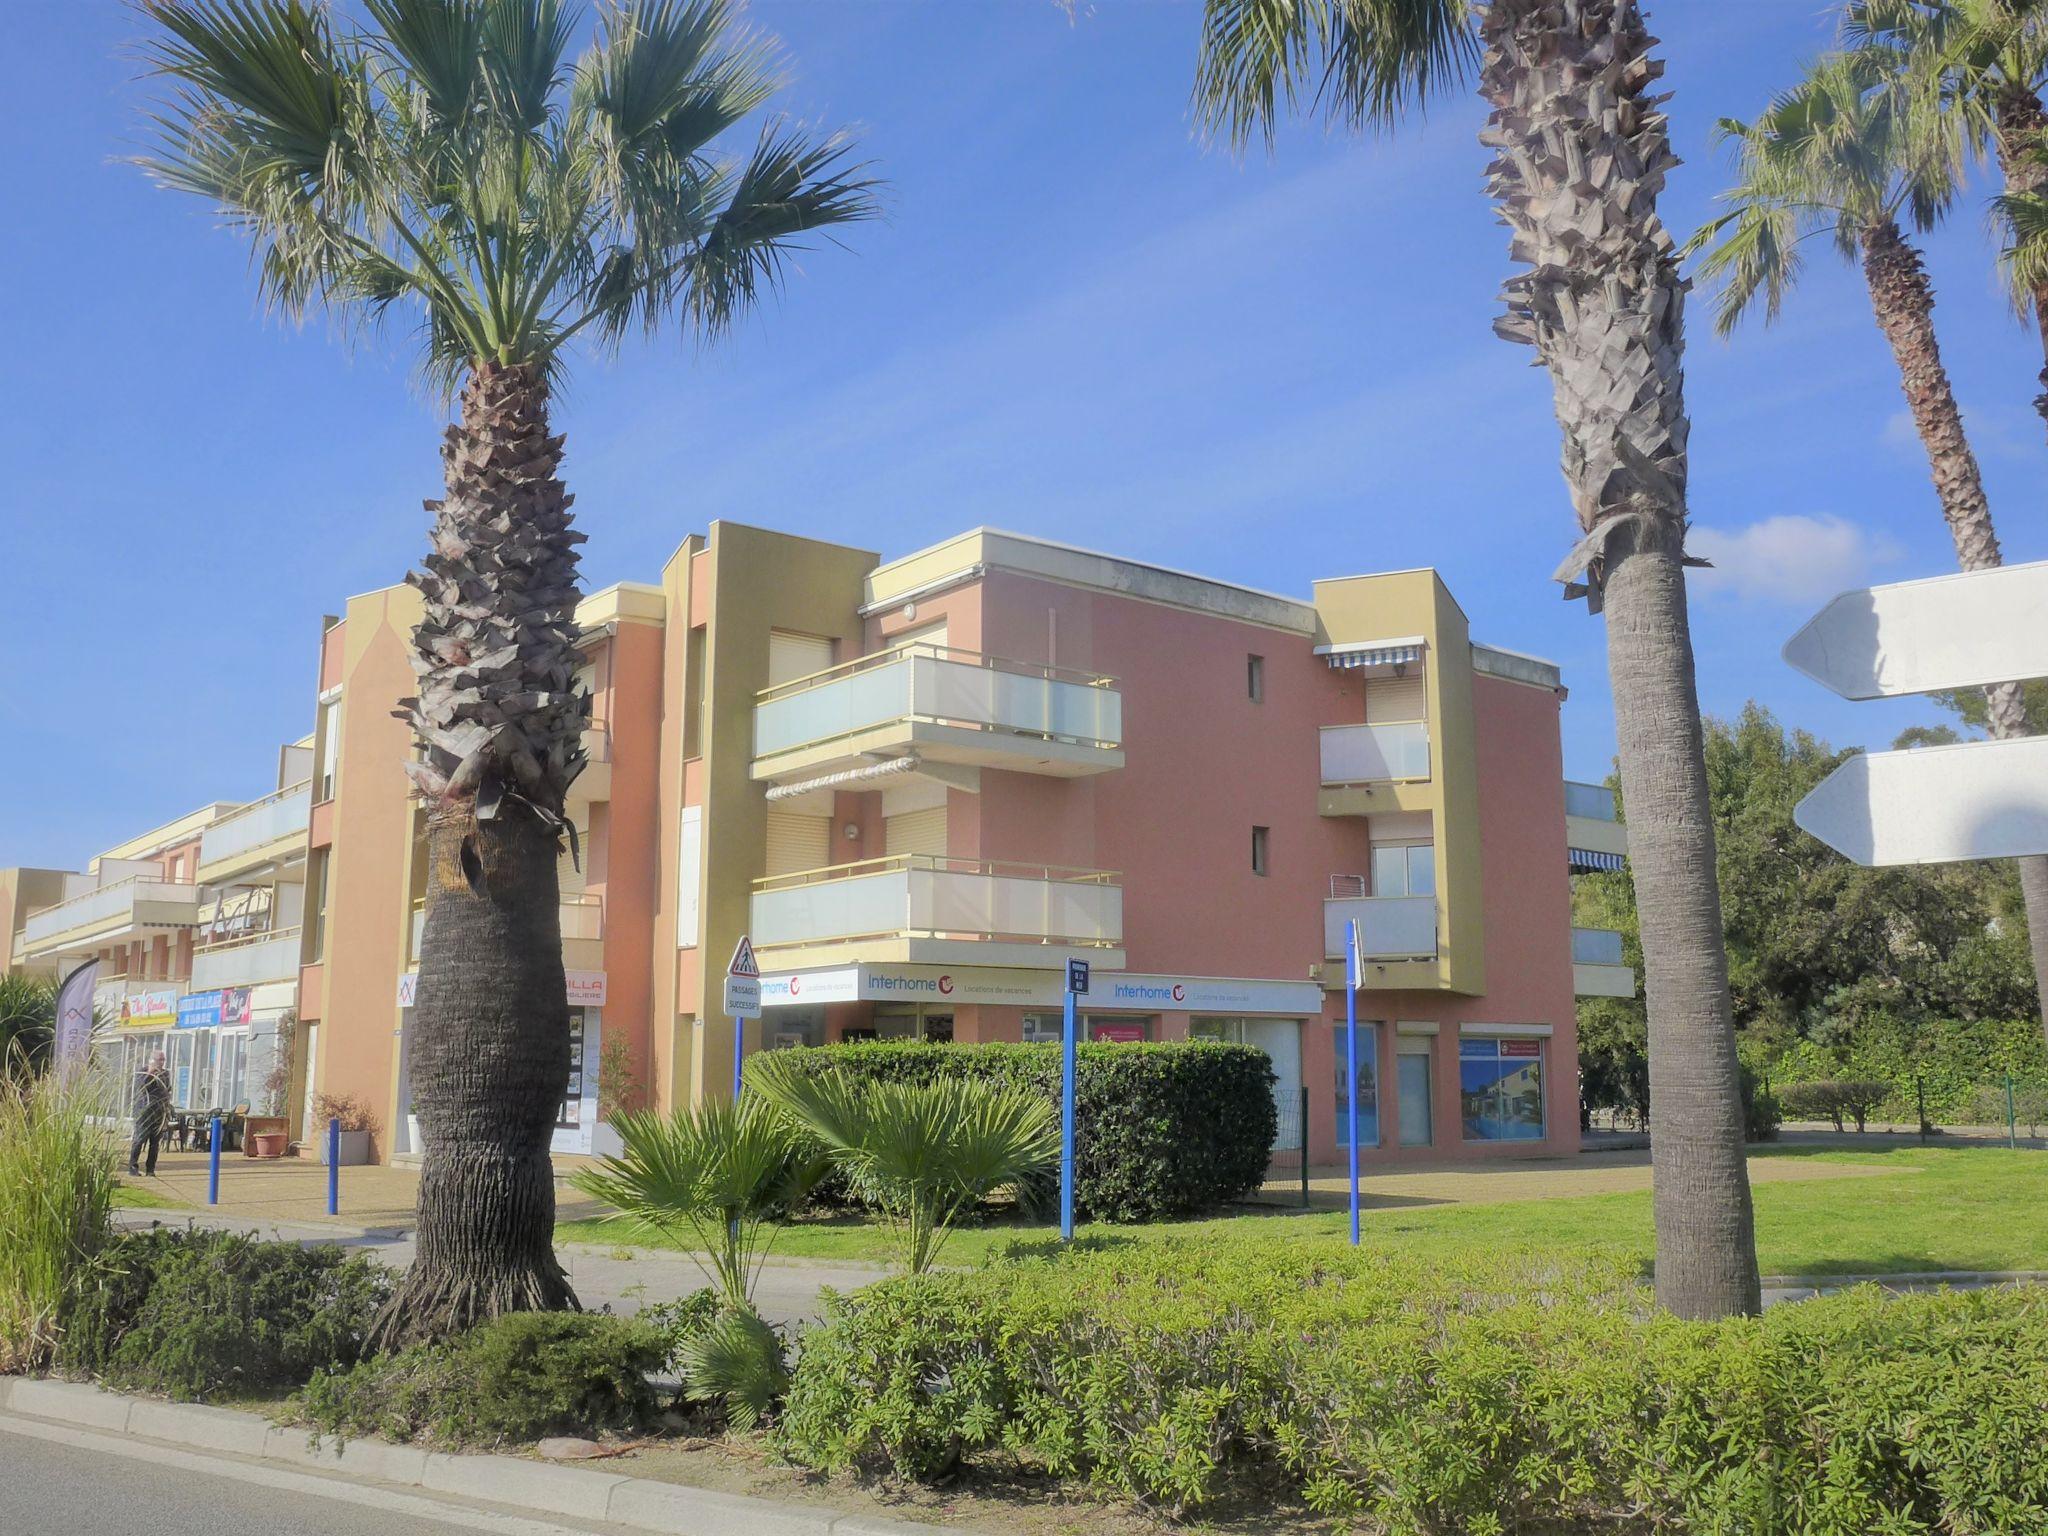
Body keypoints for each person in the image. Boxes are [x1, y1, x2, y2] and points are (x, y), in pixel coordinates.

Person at [128, 1050, 171, 1177]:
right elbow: (140, 1087)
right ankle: (132, 1167)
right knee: (139, 1139)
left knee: (155, 1142)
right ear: (152, 1060)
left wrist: (166, 1111)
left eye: (163, 1060)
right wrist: (150, 1073)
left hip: (158, 1112)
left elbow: (166, 1091)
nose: (161, 1063)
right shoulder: (142, 1072)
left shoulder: (165, 1074)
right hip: (144, 1112)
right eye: (159, 1060)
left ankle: (150, 1169)